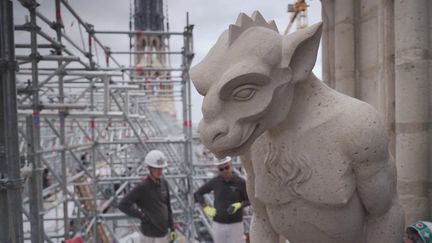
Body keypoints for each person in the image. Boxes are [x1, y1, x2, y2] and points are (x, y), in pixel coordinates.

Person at [118, 150, 176, 243]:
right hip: (149, 236)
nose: (159, 171)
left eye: (161, 168)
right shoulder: (142, 187)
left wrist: (172, 227)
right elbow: (123, 205)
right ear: (150, 168)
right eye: (156, 168)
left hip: (164, 233)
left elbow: (168, 206)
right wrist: (142, 216)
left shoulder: (164, 183)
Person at [194, 156, 250, 243]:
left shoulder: (240, 182)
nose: (225, 171)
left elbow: (249, 200)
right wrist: (205, 207)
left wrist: (239, 205)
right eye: (221, 169)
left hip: (236, 224)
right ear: (218, 170)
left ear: (231, 166)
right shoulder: (215, 182)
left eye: (226, 167)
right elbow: (198, 193)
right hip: (218, 224)